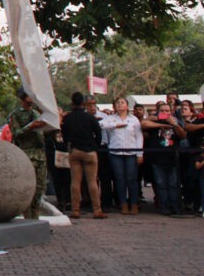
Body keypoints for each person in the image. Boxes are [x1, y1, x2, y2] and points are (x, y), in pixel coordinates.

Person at [61, 91, 107, 219]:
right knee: (92, 181)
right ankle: (97, 210)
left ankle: (75, 210)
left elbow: (64, 135)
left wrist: (69, 147)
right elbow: (98, 133)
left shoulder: (67, 118)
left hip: (74, 151)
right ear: (83, 103)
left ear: (72, 103)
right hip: (89, 151)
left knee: (75, 181)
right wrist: (95, 146)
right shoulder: (90, 117)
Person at [8, 87, 48, 219]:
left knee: (39, 189)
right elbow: (15, 133)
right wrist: (30, 127)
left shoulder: (36, 113)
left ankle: (35, 219)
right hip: (27, 155)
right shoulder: (16, 114)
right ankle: (28, 219)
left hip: (40, 155)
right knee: (28, 189)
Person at [100, 98, 143, 214]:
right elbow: (102, 125)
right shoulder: (110, 118)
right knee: (119, 179)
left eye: (122, 102)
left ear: (127, 106)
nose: (120, 104)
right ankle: (123, 203)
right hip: (115, 152)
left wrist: (140, 154)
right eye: (117, 103)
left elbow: (139, 136)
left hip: (131, 152)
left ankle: (134, 203)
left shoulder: (133, 119)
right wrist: (116, 125)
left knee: (131, 179)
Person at [141, 102, 185, 215]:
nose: (165, 113)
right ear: (158, 112)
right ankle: (164, 206)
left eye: (167, 111)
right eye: (162, 111)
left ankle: (175, 206)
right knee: (161, 184)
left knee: (174, 184)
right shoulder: (154, 122)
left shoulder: (177, 121)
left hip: (173, 158)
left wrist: (174, 125)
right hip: (157, 158)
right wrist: (161, 125)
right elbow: (143, 123)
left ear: (171, 112)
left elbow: (183, 135)